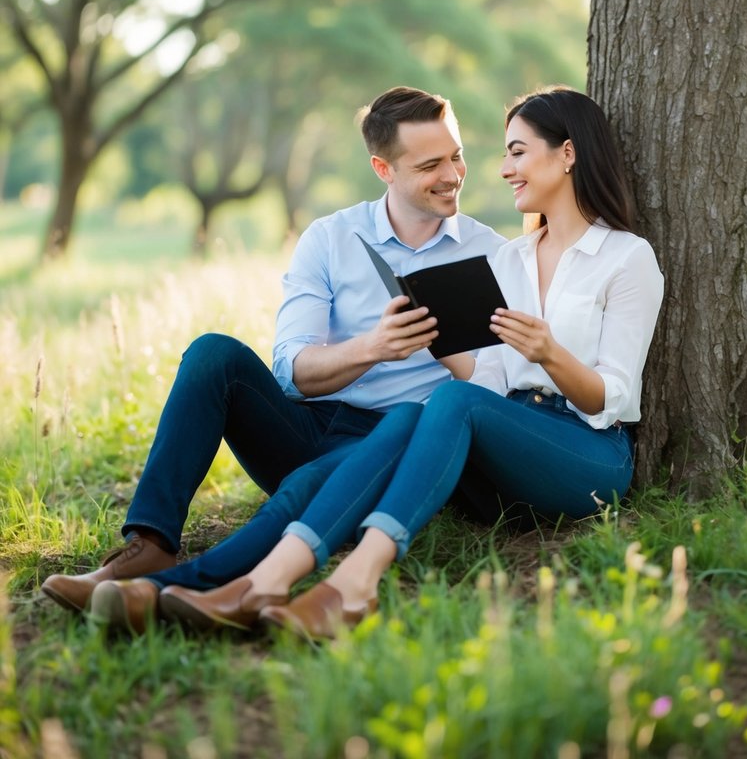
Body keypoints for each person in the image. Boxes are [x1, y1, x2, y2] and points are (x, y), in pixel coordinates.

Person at [89, 86, 664, 638]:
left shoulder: (610, 256)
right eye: (432, 163)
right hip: (415, 428)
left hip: (578, 443)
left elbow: (614, 398)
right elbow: (485, 379)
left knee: (434, 406)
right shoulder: (506, 259)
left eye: (505, 153)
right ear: (384, 169)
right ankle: (212, 579)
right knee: (383, 407)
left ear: (567, 154)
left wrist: (549, 355)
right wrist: (410, 339)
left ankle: (335, 583)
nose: (487, 170)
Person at [41, 86, 504, 616]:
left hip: (400, 442)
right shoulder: (330, 238)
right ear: (384, 169)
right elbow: (291, 371)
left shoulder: (489, 251)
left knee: (308, 482)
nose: (452, 174)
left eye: (457, 155)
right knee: (213, 354)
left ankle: (185, 592)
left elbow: (496, 385)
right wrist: (372, 348)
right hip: (310, 423)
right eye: (430, 164)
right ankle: (151, 545)